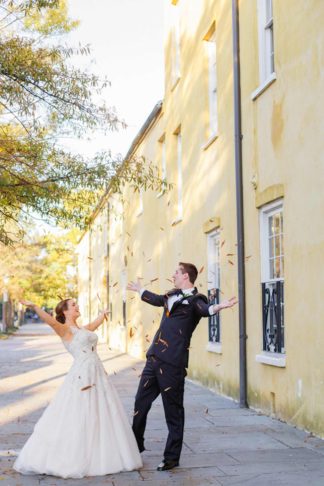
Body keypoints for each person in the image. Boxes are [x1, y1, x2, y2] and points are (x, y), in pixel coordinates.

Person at [13, 298, 142, 479]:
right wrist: (35, 306)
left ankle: (103, 454)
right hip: (82, 376)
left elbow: (94, 326)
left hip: (97, 375)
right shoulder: (64, 330)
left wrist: (102, 315)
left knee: (101, 412)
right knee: (81, 411)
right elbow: (50, 320)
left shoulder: (82, 329)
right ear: (65, 312)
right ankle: (75, 456)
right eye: (73, 305)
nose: (77, 306)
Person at [127, 262, 237, 472]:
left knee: (173, 411)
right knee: (140, 403)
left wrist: (218, 307)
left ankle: (171, 458)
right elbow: (157, 300)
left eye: (176, 272)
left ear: (186, 276)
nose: (173, 275)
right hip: (154, 357)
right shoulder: (171, 295)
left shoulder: (197, 300)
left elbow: (205, 311)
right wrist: (140, 289)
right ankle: (136, 445)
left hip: (173, 363)